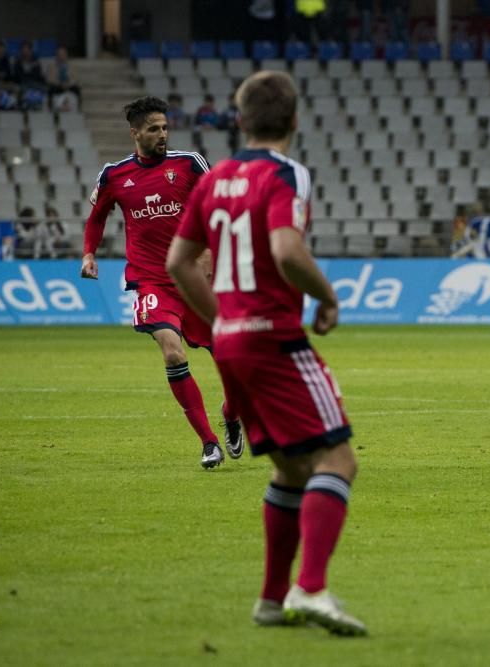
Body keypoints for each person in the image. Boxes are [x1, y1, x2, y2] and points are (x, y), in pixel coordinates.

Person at [166, 70, 367, 635]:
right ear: (295, 120)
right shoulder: (287, 173)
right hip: (275, 339)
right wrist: (326, 297)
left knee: (291, 470)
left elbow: (179, 263)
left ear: (241, 120)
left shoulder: (216, 177)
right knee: (338, 460)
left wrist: (223, 319)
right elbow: (286, 248)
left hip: (231, 343)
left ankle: (272, 600)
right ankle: (313, 589)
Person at [81, 95, 244, 469]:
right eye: (154, 129)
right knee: (172, 351)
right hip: (151, 279)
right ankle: (208, 442)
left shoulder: (190, 165)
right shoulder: (114, 175)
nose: (162, 135)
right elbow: (96, 218)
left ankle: (231, 414)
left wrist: (208, 253)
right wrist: (89, 253)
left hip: (198, 280)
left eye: (165, 128)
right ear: (135, 132)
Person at [13, 42, 47, 110]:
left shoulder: (35, 60)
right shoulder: (17, 61)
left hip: (34, 81)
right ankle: (30, 105)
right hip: (23, 82)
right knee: (26, 90)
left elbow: (38, 73)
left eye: (27, 49)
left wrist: (28, 73)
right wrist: (28, 74)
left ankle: (36, 104)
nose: (25, 51)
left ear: (30, 50)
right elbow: (17, 75)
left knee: (42, 89)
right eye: (23, 49)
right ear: (21, 50)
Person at [46, 46, 82, 110]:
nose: (61, 57)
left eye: (63, 54)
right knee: (51, 89)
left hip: (69, 85)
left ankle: (79, 108)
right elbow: (50, 79)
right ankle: (50, 108)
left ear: (66, 55)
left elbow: (76, 79)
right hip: (57, 86)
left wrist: (68, 84)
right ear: (57, 56)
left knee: (77, 89)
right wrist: (60, 84)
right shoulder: (51, 67)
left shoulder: (73, 67)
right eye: (59, 55)